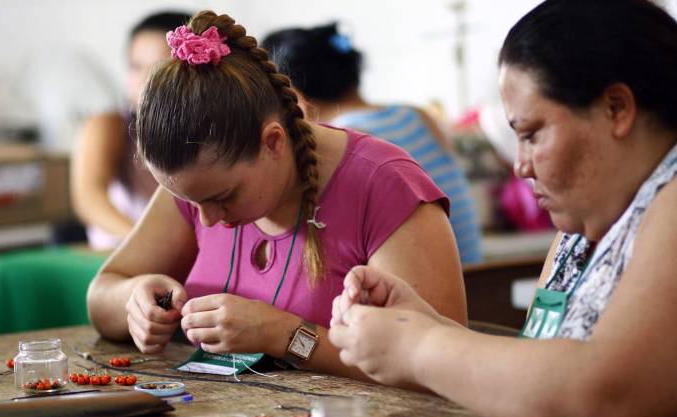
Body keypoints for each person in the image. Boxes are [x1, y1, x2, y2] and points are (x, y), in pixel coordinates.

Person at [329, 0, 677, 417]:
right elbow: (544, 367)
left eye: (532, 134)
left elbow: (613, 392)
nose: (520, 166)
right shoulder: (585, 224)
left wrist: (419, 348)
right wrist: (422, 323)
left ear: (617, 108)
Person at [87, 11, 466, 380]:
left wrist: (284, 335)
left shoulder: (385, 185)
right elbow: (102, 294)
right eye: (190, 202)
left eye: (224, 196)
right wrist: (134, 300)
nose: (205, 219)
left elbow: (442, 363)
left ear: (273, 142)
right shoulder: (197, 185)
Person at [262, 24, 483, 265]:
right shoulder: (416, 114)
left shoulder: (346, 140)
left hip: (430, 283)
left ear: (291, 94)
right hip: (477, 272)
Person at [71, 11, 190, 250]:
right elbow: (89, 198)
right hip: (117, 257)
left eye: (158, 68)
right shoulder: (109, 124)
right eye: (135, 67)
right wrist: (144, 241)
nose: (144, 80)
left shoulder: (207, 134)